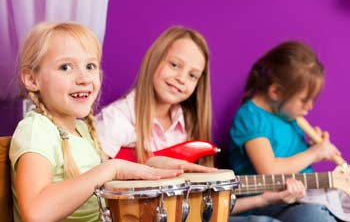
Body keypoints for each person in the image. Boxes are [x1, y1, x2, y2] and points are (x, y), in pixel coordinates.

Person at [9, 22, 184, 222]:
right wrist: (110, 169)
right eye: (66, 67)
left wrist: (149, 166)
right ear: (32, 79)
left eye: (90, 66)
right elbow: (36, 212)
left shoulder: (82, 130)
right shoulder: (37, 130)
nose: (84, 78)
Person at [229, 41, 340, 221]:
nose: (310, 107)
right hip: (271, 204)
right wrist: (314, 154)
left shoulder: (288, 116)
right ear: (276, 92)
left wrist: (309, 147)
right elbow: (270, 170)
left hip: (303, 197)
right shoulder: (250, 117)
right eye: (304, 100)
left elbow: (292, 159)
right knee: (316, 218)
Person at [96, 26, 214, 167]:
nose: (182, 79)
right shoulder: (116, 118)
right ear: (155, 59)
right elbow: (92, 176)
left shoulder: (189, 125)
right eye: (175, 65)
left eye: (192, 75)